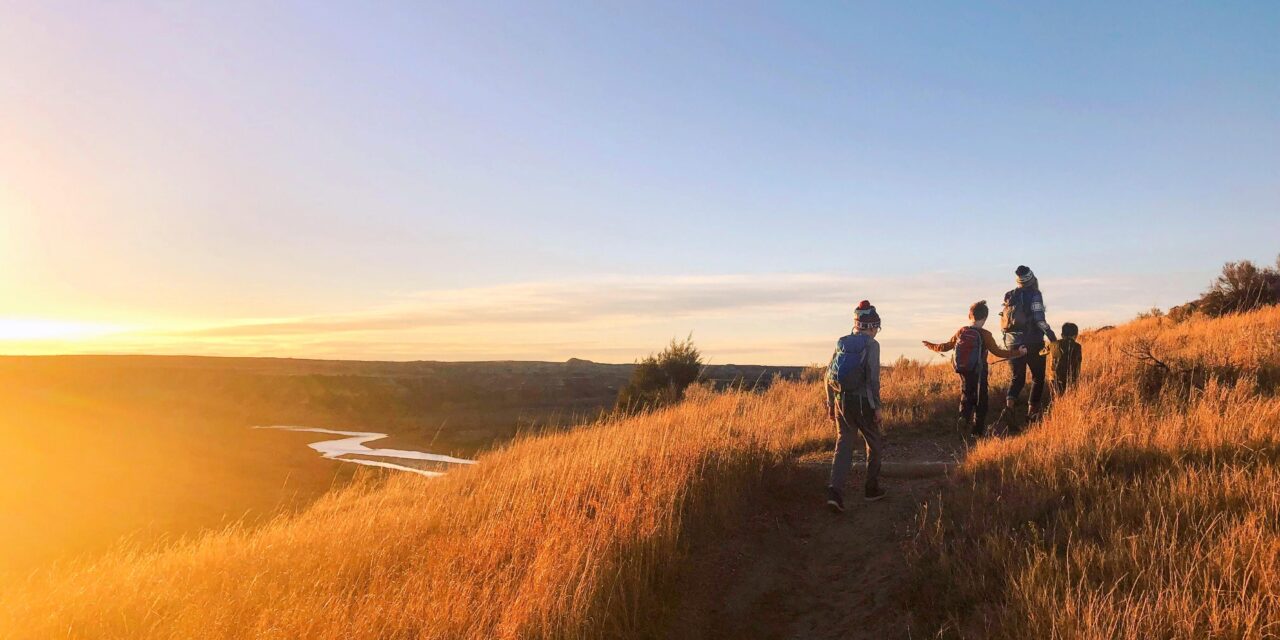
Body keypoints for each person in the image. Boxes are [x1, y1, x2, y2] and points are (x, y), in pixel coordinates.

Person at [922, 300, 1027, 437]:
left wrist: (931, 345)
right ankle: (976, 432)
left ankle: (963, 418)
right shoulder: (985, 334)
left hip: (964, 370)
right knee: (981, 400)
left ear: (969, 315)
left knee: (966, 396)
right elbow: (999, 352)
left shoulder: (962, 331)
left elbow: (946, 346)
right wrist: (1019, 352)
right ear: (985, 318)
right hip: (979, 371)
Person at [824, 300, 885, 513]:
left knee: (844, 445)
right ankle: (871, 489)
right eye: (876, 326)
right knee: (875, 443)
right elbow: (873, 380)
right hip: (862, 404)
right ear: (870, 326)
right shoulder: (872, 346)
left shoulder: (842, 342)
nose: (877, 330)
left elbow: (828, 374)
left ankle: (835, 492)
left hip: (842, 402)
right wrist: (877, 407)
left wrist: (831, 403)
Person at [1000, 265, 1057, 426]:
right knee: (1038, 377)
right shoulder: (1035, 294)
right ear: (1032, 279)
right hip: (1032, 342)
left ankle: (1009, 409)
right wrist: (1052, 337)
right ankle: (1032, 413)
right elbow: (1039, 320)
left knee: (1017, 378)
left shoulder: (1009, 295)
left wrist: (1009, 342)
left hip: (1012, 344)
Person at [1041, 322, 1083, 397]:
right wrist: (1077, 376)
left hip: (1054, 378)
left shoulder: (1053, 344)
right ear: (1076, 335)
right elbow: (1079, 362)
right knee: (1069, 396)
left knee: (1055, 397)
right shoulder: (1077, 346)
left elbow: (1041, 353)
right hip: (1071, 377)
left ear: (1062, 335)